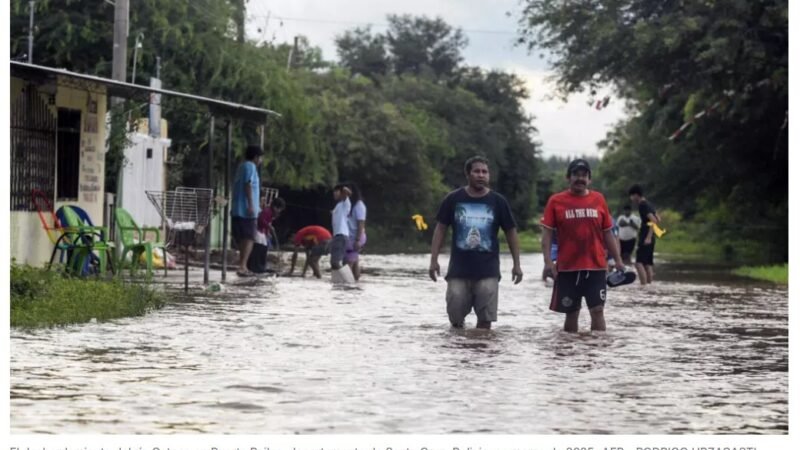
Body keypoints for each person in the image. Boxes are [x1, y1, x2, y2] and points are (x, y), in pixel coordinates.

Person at [429, 155, 523, 330]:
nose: (481, 175)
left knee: (485, 322)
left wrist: (517, 264)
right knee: (455, 320)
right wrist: (433, 260)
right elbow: (440, 228)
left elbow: (511, 232)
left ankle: (481, 354)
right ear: (468, 174)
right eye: (477, 171)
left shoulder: (498, 202)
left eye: (485, 172)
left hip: (488, 270)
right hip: (458, 270)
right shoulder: (453, 199)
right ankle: (461, 353)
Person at [541, 158, 625, 333]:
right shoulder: (556, 201)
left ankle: (596, 353)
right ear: (568, 178)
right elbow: (547, 234)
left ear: (589, 179)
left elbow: (608, 232)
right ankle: (570, 355)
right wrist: (548, 262)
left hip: (596, 267)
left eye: (584, 175)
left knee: (598, 310)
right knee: (571, 313)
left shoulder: (599, 199)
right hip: (568, 268)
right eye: (576, 175)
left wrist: (618, 260)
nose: (580, 179)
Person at [231, 145, 263, 277]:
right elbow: (248, 184)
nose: (260, 160)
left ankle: (242, 265)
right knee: (249, 238)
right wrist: (251, 205)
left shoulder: (241, 166)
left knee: (244, 238)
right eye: (260, 158)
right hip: (246, 210)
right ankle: (243, 266)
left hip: (238, 209)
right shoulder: (250, 166)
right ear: (256, 157)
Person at [629, 184, 661, 285]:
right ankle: (649, 286)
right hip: (651, 237)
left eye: (632, 195)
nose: (631, 198)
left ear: (636, 195)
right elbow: (658, 219)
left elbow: (654, 220)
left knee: (638, 263)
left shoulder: (642, 205)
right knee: (647, 263)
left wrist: (648, 237)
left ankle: (643, 286)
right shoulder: (649, 204)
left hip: (646, 237)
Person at [247, 197, 286, 274]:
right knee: (259, 247)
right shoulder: (267, 211)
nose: (279, 211)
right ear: (275, 207)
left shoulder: (271, 214)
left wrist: (268, 232)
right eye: (279, 209)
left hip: (262, 231)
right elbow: (261, 220)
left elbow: (267, 223)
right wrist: (268, 226)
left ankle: (261, 266)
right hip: (257, 231)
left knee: (264, 247)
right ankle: (255, 266)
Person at [345, 183, 367, 281]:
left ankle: (346, 285)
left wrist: (357, 240)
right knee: (354, 262)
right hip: (351, 237)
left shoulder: (359, 205)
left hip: (356, 237)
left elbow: (361, 224)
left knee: (348, 263)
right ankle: (355, 285)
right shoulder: (350, 205)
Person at [330, 184, 352, 272]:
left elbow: (348, 192)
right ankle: (345, 282)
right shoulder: (338, 206)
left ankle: (345, 280)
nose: (334, 194)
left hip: (341, 236)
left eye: (336, 191)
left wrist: (342, 189)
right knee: (341, 262)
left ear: (341, 193)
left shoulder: (345, 203)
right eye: (334, 192)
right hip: (339, 236)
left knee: (334, 262)